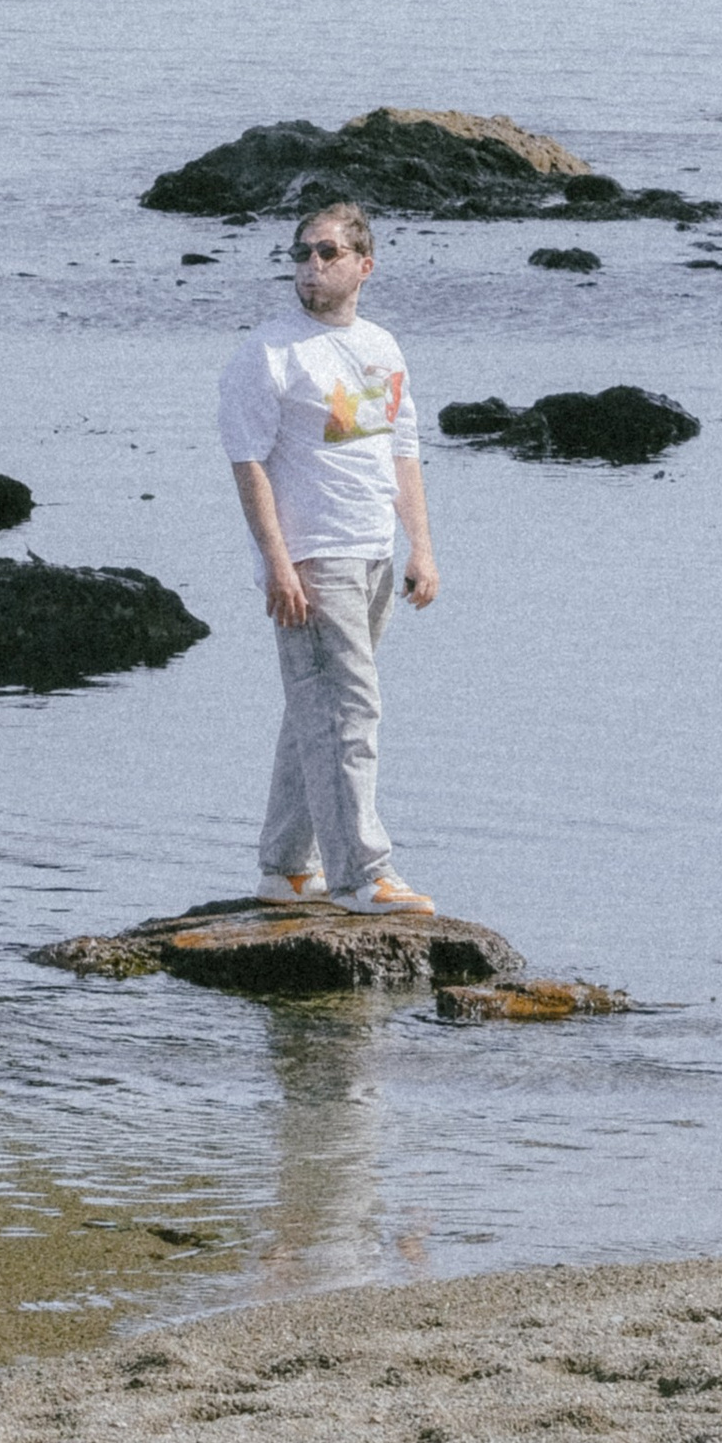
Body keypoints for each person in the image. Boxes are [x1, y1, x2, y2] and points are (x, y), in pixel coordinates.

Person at [217, 197, 439, 915]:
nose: (310, 267)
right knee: (350, 710)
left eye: (327, 254)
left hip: (374, 552)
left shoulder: (382, 346)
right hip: (314, 559)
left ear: (363, 265)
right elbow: (247, 463)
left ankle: (286, 868)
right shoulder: (270, 353)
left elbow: (399, 449)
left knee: (316, 711)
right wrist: (278, 564)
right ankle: (361, 875)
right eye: (301, 254)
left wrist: (421, 550)